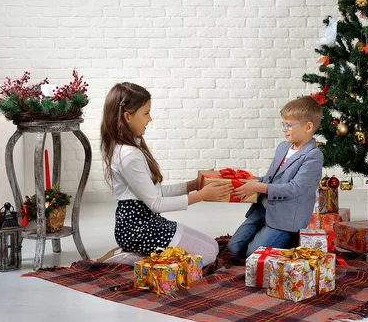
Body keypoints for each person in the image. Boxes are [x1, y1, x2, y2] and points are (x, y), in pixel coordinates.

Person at [98, 82, 233, 265]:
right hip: (137, 230)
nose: (150, 119)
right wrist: (200, 196)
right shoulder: (129, 155)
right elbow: (156, 203)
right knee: (208, 256)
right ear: (128, 117)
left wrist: (192, 185)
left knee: (213, 247)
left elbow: (156, 191)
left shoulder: (133, 146)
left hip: (148, 222)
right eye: (146, 113)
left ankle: (143, 254)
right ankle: (133, 256)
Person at [227, 96, 324, 258]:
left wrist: (258, 187)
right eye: (283, 124)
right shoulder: (283, 147)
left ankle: (288, 238)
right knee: (234, 248)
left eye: (289, 125)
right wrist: (251, 180)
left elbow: (295, 188)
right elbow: (270, 179)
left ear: (308, 127)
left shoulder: (313, 156)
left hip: (285, 220)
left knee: (253, 254)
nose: (284, 129)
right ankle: (267, 235)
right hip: (263, 210)